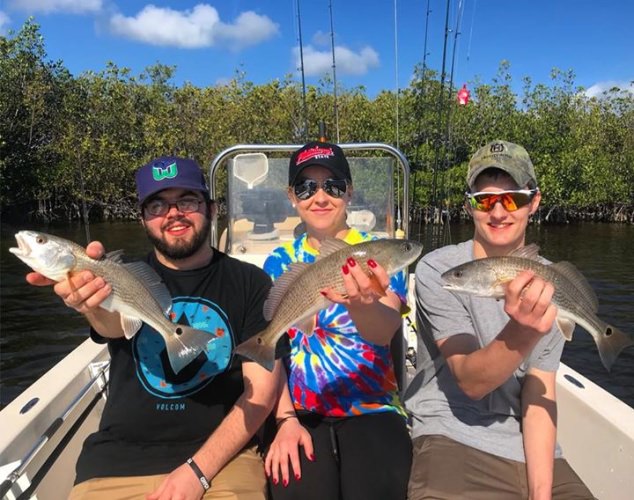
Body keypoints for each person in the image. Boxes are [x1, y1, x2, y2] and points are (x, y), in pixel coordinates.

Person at [27, 156, 280, 500]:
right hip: (118, 460)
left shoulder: (251, 282)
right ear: (144, 219)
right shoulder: (121, 274)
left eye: (187, 200)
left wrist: (197, 473)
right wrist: (90, 305)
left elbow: (261, 391)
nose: (172, 213)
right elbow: (115, 327)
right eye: (157, 205)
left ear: (212, 207)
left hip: (222, 458)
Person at [404, 140, 594, 499]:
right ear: (470, 206)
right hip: (453, 432)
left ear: (533, 202)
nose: (499, 211)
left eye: (513, 198)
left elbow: (539, 393)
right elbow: (472, 381)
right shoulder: (439, 271)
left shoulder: (550, 282)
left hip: (530, 445)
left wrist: (541, 493)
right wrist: (523, 331)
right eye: (485, 200)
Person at [262, 141, 412, 500]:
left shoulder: (381, 254)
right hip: (299, 412)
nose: (320, 197)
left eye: (332, 186)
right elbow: (277, 350)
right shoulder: (278, 261)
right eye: (306, 187)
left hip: (372, 406)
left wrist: (364, 307)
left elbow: (384, 328)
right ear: (292, 197)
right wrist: (284, 420)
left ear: (349, 191)